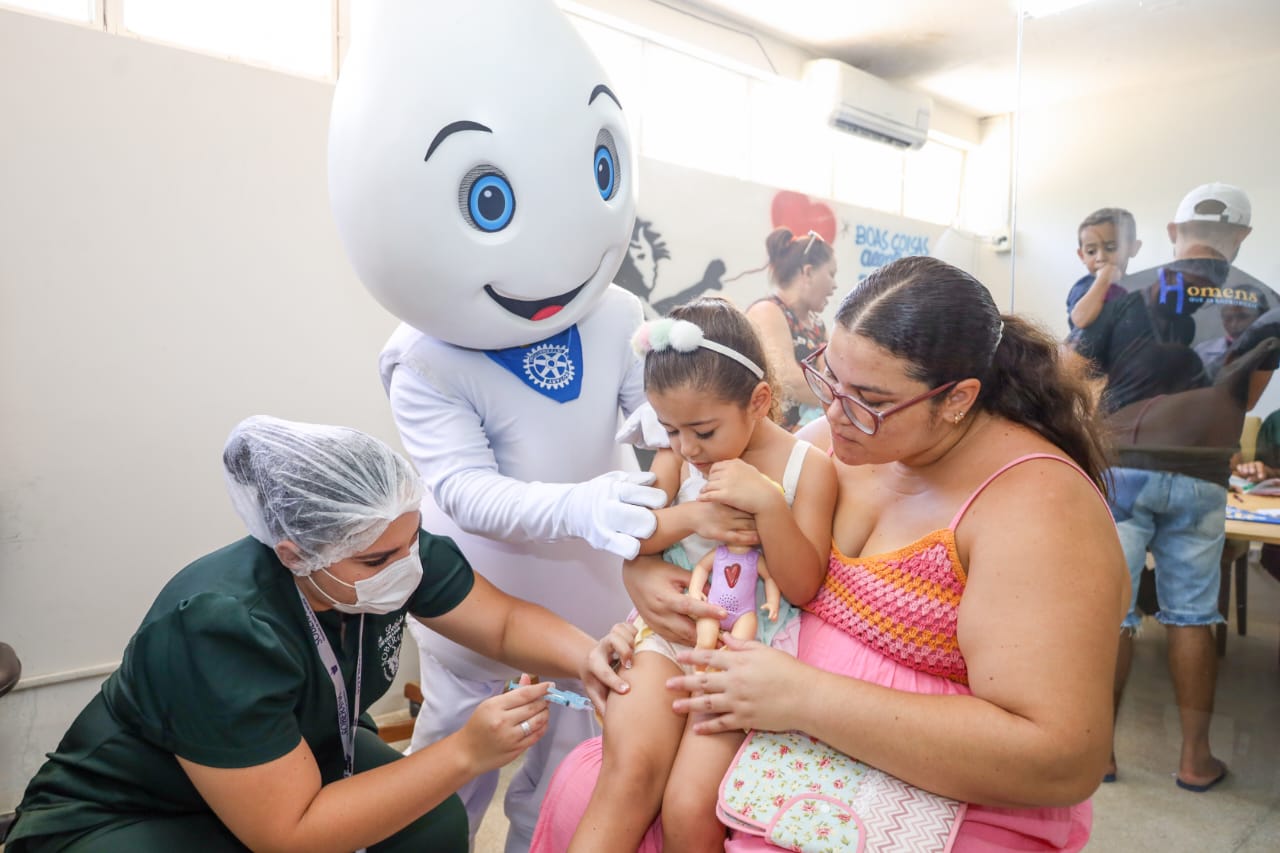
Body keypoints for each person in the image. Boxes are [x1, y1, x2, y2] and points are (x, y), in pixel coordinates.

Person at [534, 256, 1129, 852]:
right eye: (829, 379)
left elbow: (1060, 758)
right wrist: (644, 587)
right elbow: (712, 543)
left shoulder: (1038, 506)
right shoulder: (834, 442)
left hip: (914, 783)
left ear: (957, 399)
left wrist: (802, 697)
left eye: (869, 398)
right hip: (755, 718)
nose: (834, 414)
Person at [328, 3, 665, 849]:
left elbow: (653, 423)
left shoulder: (620, 309)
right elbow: (465, 492)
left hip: (596, 607)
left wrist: (673, 445)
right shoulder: (427, 358)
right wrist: (583, 505)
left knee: (566, 788)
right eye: (490, 199)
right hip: (479, 614)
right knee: (451, 780)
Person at [5, 416, 632, 853]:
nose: (407, 567)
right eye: (376, 561)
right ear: (293, 552)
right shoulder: (220, 626)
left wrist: (589, 658)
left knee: (434, 826)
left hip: (305, 761)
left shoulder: (391, 546)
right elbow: (291, 833)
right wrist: (465, 752)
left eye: (411, 542)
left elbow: (501, 622)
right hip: (132, 811)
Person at [567, 300, 836, 852]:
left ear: (758, 401)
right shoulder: (678, 458)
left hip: (747, 653)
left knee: (690, 806)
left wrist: (769, 508)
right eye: (671, 429)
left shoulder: (807, 470)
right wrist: (693, 516)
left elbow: (806, 585)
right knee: (627, 773)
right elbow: (634, 534)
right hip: (667, 636)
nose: (687, 447)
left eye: (703, 431)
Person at [1071, 182, 1268, 793]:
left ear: (1173, 233)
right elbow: (1247, 396)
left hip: (1123, 465)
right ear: (1242, 237)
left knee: (1117, 613)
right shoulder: (1266, 301)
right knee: (1191, 616)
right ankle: (1195, 759)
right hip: (1203, 474)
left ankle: (1099, 753)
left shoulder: (1125, 287)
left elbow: (1077, 371)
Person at [745, 227, 838, 431]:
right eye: (831, 274)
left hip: (808, 436)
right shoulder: (767, 310)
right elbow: (786, 377)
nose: (835, 286)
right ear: (808, 272)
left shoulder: (817, 325)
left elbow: (834, 374)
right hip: (774, 439)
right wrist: (841, 400)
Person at [1066, 207, 1143, 332]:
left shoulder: (1135, 286)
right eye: (1091, 251)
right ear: (1082, 256)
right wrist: (1104, 279)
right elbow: (1080, 319)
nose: (1101, 258)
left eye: (1111, 248)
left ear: (1133, 248)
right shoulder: (1084, 287)